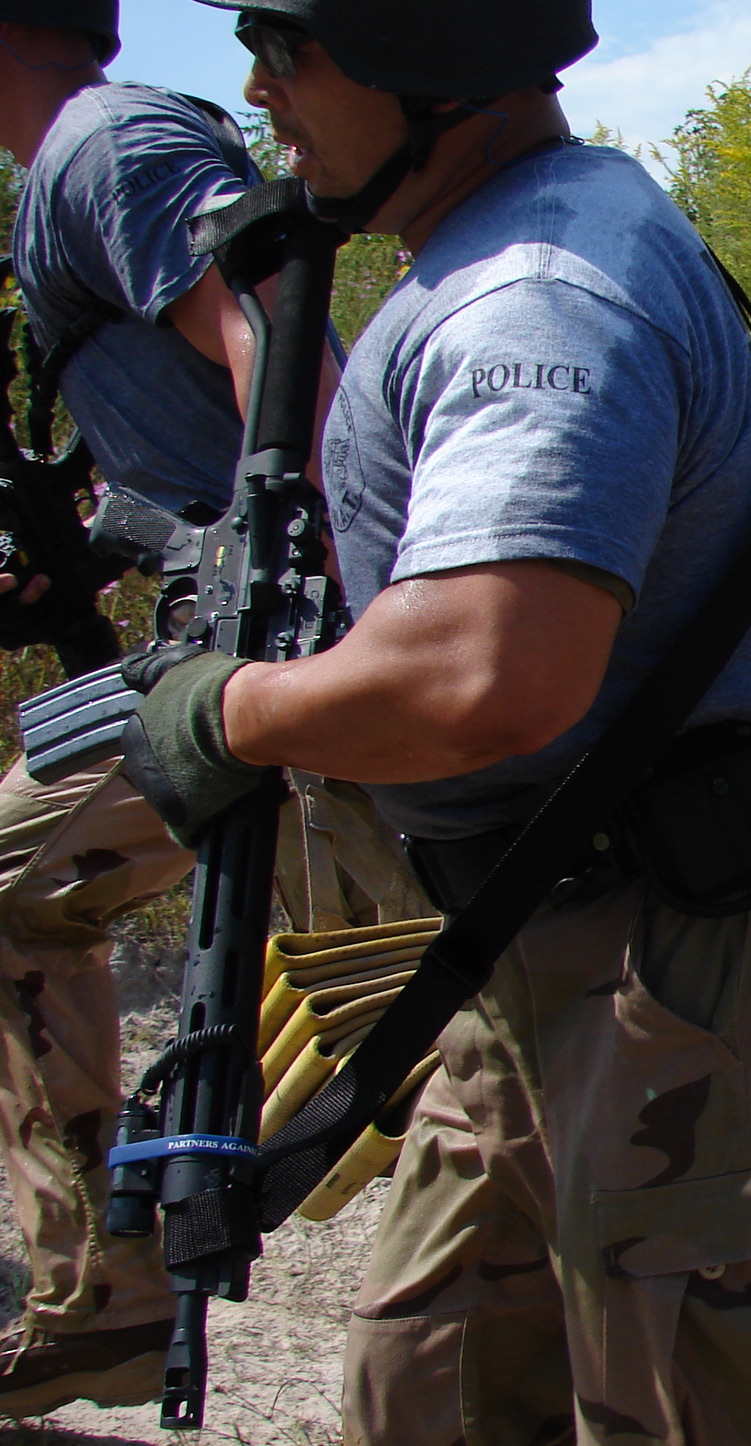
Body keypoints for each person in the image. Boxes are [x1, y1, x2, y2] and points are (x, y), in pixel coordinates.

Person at [128, 1, 751, 1439]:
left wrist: (233, 712)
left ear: (421, 54)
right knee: (428, 1384)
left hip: (709, 987)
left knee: (712, 1404)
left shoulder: (538, 290)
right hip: (551, 953)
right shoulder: (496, 257)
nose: (257, 89)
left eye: (288, 45)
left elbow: (492, 675)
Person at [0, 0, 415, 1417]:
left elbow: (276, 343)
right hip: (261, 643)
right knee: (462, 1034)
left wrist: (328, 598)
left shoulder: (100, 142)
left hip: (283, 650)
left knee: (488, 1025)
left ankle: (102, 1293)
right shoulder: (72, 162)